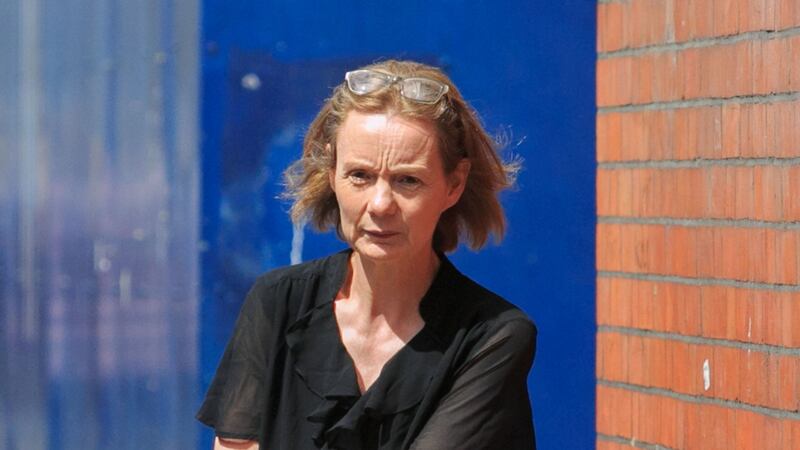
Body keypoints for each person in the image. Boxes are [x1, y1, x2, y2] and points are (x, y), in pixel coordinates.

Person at [196, 59, 537, 450]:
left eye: (408, 180)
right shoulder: (278, 301)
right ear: (331, 173)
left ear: (454, 184)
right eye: (360, 175)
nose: (380, 204)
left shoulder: (491, 336)